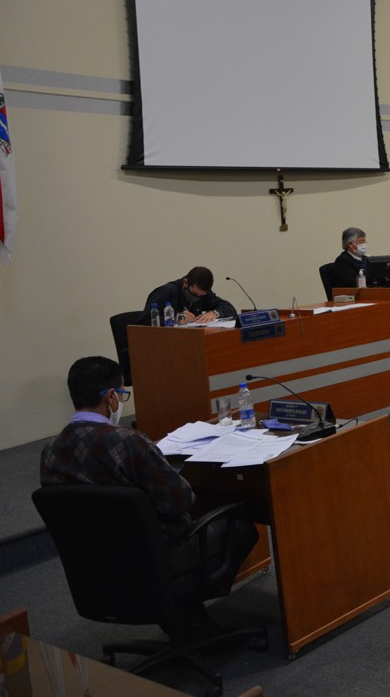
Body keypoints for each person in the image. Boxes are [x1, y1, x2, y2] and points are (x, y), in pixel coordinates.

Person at [40, 356, 258, 630]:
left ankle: (185, 617)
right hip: (155, 558)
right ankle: (185, 609)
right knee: (240, 527)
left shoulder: (50, 452)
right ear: (110, 397)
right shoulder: (128, 441)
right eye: (122, 394)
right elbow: (180, 501)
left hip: (94, 565)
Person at [139, 267, 236, 325]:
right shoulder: (166, 291)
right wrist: (175, 319)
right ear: (186, 282)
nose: (197, 297)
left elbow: (229, 308)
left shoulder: (203, 294)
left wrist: (215, 313)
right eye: (194, 294)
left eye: (201, 296)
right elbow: (143, 321)